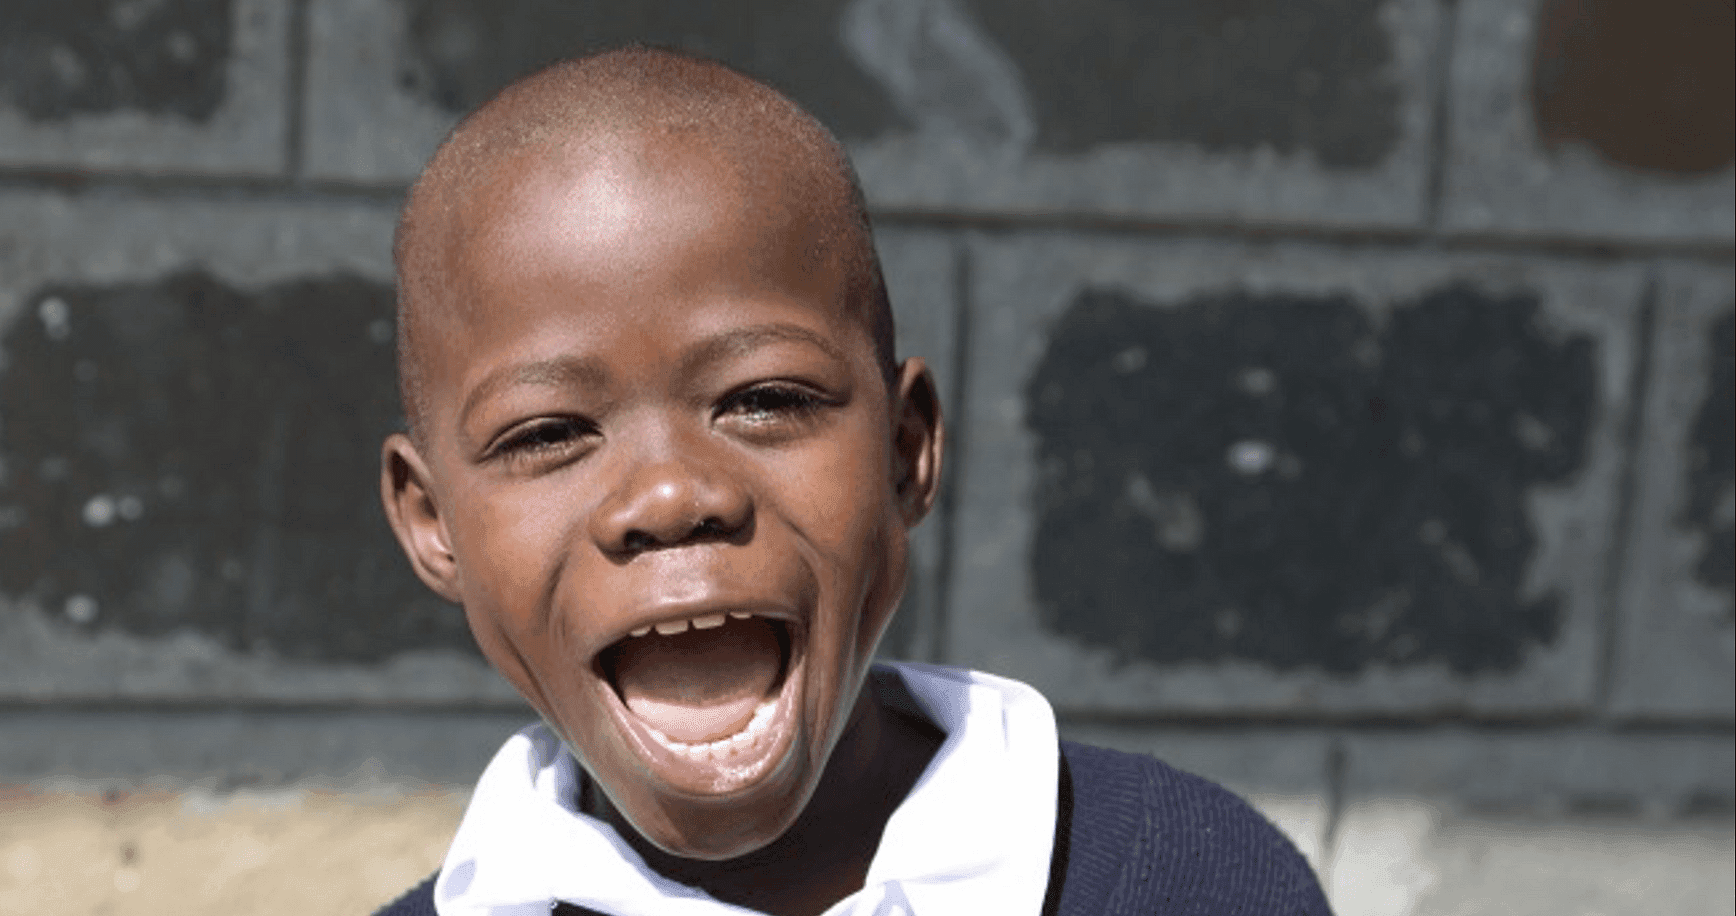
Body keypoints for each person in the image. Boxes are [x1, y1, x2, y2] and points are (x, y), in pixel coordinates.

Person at [374, 46, 1331, 916]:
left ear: (905, 450)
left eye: (763, 400)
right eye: (547, 434)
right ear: (432, 522)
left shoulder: (1192, 883)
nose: (670, 497)